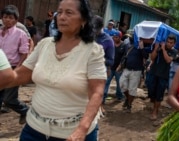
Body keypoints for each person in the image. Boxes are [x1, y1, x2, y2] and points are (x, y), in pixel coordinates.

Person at [0, 0, 106, 140]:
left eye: (69, 13)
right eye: (60, 12)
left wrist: (82, 129)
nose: (61, 17)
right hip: (34, 129)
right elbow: (20, 75)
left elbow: (97, 93)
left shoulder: (93, 51)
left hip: (72, 133)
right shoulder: (45, 45)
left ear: (84, 19)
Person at [0, 5, 30, 124]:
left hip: (12, 68)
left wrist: (18, 69)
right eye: (5, 17)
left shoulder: (20, 34)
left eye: (11, 17)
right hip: (1, 68)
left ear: (16, 20)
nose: (7, 20)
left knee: (9, 99)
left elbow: (24, 53)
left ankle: (25, 111)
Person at [147, 34, 178, 120]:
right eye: (167, 42)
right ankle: (153, 103)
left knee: (159, 94)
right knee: (151, 89)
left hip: (163, 76)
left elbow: (168, 60)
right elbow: (152, 58)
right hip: (153, 73)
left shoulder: (174, 51)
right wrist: (157, 48)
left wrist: (164, 49)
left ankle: (155, 111)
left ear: (174, 44)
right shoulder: (159, 48)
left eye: (171, 43)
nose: (168, 44)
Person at [119, 36, 149, 112]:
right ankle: (128, 98)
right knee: (122, 84)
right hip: (126, 69)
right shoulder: (129, 46)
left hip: (136, 71)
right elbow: (124, 56)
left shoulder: (142, 47)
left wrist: (142, 47)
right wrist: (120, 66)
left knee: (132, 89)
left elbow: (146, 56)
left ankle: (129, 106)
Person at [92, 15, 115, 104]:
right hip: (84, 71)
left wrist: (98, 58)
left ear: (101, 27)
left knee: (97, 96)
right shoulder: (88, 36)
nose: (93, 32)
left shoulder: (108, 41)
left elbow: (111, 61)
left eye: (95, 30)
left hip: (98, 73)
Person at [104, 30, 127, 101]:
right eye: (114, 37)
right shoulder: (111, 44)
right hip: (110, 67)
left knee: (119, 83)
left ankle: (119, 96)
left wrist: (120, 66)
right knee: (106, 82)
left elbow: (124, 57)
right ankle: (103, 97)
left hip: (118, 68)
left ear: (120, 37)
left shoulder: (124, 45)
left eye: (116, 37)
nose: (114, 38)